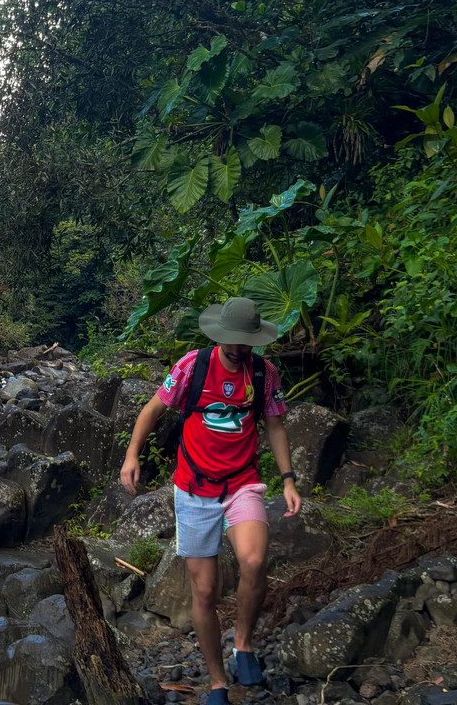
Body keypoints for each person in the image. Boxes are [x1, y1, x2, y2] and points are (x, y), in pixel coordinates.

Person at [120, 297, 301, 705]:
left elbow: (275, 426)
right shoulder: (192, 366)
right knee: (204, 592)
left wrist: (288, 480)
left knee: (254, 561)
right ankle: (218, 683)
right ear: (219, 335)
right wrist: (132, 455)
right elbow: (152, 410)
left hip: (242, 483)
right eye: (231, 340)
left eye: (245, 341)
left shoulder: (263, 373)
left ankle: (243, 644)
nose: (238, 348)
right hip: (194, 488)